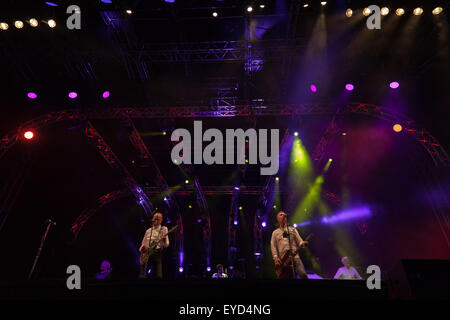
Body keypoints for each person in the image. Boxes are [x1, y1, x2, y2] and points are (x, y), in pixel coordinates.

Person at [270, 211, 309, 279]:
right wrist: (276, 258)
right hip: (284, 259)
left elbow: (299, 241)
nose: (283, 216)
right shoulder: (275, 232)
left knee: (303, 274)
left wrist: (303, 244)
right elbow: (273, 245)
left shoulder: (292, 229)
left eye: (284, 215)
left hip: (295, 256)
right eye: (281, 215)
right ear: (278, 219)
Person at [139, 212, 169, 278]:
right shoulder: (148, 230)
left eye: (158, 219)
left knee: (158, 275)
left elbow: (166, 245)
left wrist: (163, 240)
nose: (156, 219)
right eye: (155, 218)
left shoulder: (164, 229)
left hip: (157, 253)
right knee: (142, 275)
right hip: (146, 254)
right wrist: (142, 249)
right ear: (152, 219)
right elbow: (143, 243)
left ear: (161, 220)